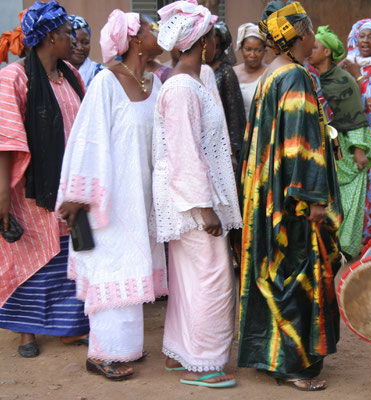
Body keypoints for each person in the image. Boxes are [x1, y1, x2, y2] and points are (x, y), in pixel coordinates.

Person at [237, 1, 342, 391]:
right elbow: (301, 143)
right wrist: (314, 197)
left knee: (274, 272)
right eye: (311, 32)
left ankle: (273, 356)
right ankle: (296, 365)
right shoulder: (295, 76)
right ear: (299, 35)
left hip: (267, 192)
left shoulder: (270, 74)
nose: (315, 38)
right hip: (292, 199)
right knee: (298, 274)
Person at [57, 10, 166, 380]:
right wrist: (77, 195)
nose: (157, 33)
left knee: (132, 267)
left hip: (140, 198)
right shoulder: (106, 83)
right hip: (108, 199)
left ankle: (125, 348)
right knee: (111, 268)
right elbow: (86, 140)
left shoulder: (156, 83)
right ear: (136, 40)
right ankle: (101, 353)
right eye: (151, 29)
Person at [153, 0, 242, 388]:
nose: (217, 43)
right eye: (211, 37)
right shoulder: (180, 89)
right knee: (213, 277)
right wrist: (204, 207)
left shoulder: (197, 79)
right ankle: (202, 362)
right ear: (200, 42)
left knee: (192, 277)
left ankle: (180, 350)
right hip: (191, 202)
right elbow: (185, 152)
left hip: (193, 198)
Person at [0, 0, 88, 358]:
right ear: (51, 37)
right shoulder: (14, 77)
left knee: (68, 257)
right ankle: (27, 334)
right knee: (30, 257)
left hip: (66, 188)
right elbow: (6, 140)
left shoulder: (70, 76)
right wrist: (4, 195)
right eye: (67, 33)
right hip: (29, 191)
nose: (74, 40)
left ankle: (68, 328)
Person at [307, 25, 371, 259]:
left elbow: (355, 113)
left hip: (345, 150)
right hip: (322, 149)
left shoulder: (343, 79)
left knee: (349, 203)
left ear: (327, 52)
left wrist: (358, 149)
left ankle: (343, 249)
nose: (310, 50)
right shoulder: (309, 77)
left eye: (315, 47)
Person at [339, 19, 371, 243]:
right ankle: (349, 237)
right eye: (363, 36)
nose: (366, 41)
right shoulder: (345, 64)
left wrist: (356, 74)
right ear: (355, 38)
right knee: (351, 184)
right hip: (348, 136)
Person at [210, 21, 246, 162]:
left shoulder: (226, 72)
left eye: (217, 47)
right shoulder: (195, 69)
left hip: (222, 141)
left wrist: (233, 149)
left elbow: (234, 113)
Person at [233, 22, 267, 118]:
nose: (253, 55)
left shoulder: (270, 73)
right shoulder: (232, 73)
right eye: (248, 49)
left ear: (264, 50)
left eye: (258, 50)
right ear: (241, 48)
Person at [67, 15, 104, 88]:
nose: (80, 48)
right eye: (75, 42)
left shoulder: (101, 74)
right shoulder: (54, 73)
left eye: (85, 43)